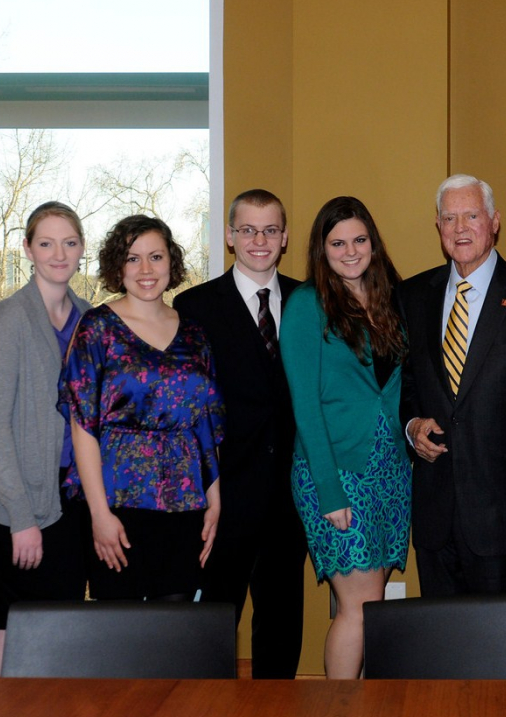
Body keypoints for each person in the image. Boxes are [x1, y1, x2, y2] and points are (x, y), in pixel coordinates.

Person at [401, 174, 506, 596]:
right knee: (442, 649)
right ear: (437, 227)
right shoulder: (413, 296)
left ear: (494, 221)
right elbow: (405, 385)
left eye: (471, 215)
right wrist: (412, 424)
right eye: (449, 218)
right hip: (436, 514)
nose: (460, 228)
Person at [174, 190, 306, 678]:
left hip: (291, 498)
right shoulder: (195, 307)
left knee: (281, 628)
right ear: (230, 236)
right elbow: (187, 411)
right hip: (221, 499)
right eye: (247, 230)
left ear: (285, 237)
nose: (259, 240)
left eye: (270, 230)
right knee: (211, 629)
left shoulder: (308, 301)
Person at [57, 214, 224, 601]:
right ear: (119, 266)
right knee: (122, 633)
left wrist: (215, 502)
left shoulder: (195, 332)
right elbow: (83, 426)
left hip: (186, 500)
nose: (146, 269)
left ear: (172, 262)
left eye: (156, 257)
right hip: (117, 500)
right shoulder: (96, 327)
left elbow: (206, 425)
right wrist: (99, 514)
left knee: (178, 628)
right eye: (133, 259)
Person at [281, 196, 411, 679]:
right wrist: (329, 491)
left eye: (359, 240)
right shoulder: (306, 305)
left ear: (373, 244)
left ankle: (359, 701)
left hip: (388, 469)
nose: (350, 250)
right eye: (338, 242)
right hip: (333, 470)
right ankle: (339, 706)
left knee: (368, 604)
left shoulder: (389, 300)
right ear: (322, 248)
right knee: (357, 606)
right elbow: (305, 406)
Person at [0, 201, 91, 677]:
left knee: (58, 626)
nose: (58, 253)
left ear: (82, 249)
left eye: (69, 242)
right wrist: (22, 520)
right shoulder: (10, 318)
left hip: (70, 502)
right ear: (28, 249)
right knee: (11, 624)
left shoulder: (89, 317)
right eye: (46, 243)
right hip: (17, 509)